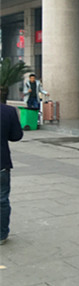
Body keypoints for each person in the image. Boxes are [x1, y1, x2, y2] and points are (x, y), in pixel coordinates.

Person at [0, 103, 24, 245]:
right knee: (2, 200)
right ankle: (1, 235)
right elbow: (16, 136)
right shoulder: (8, 111)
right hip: (1, 163)